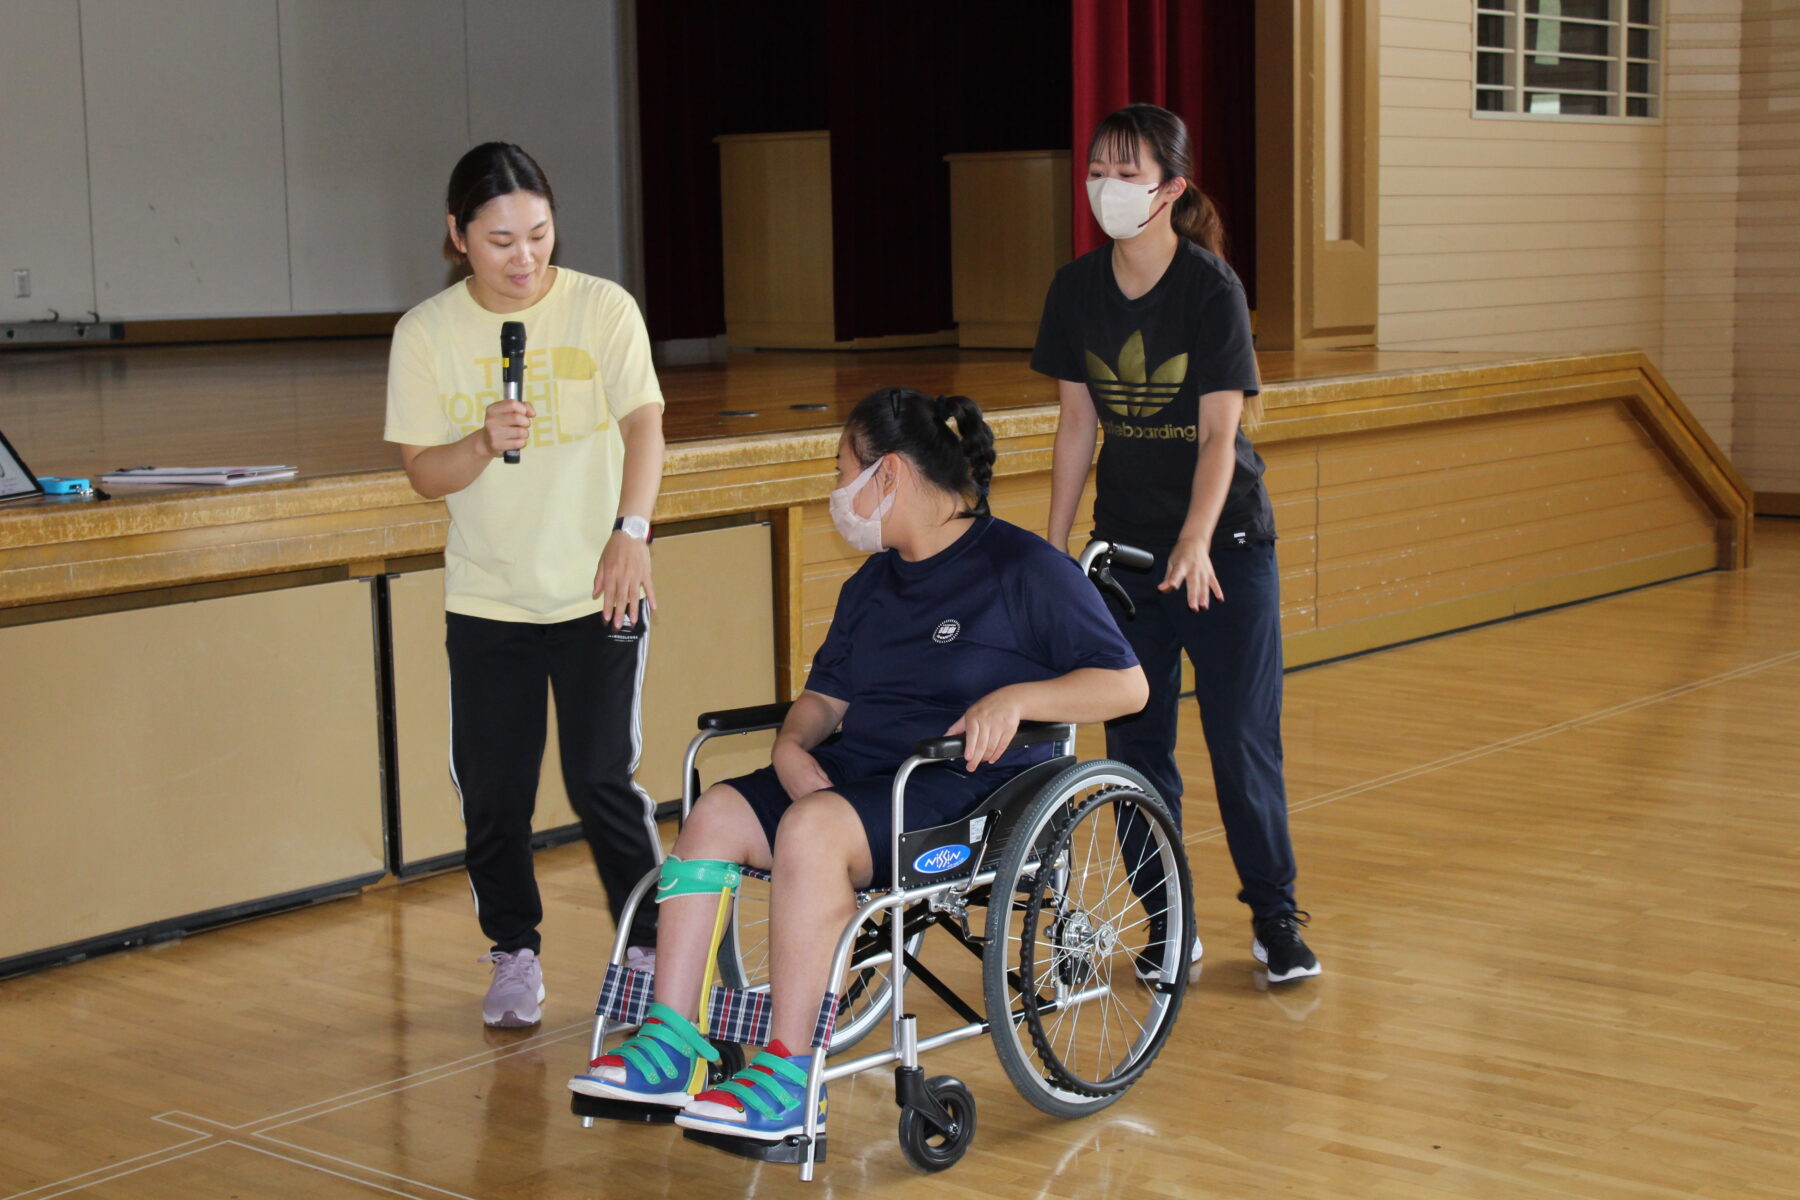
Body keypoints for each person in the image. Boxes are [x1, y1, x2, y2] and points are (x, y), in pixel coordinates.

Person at [567, 386, 1149, 1142]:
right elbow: (823, 700)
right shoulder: (871, 583)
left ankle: (788, 1075)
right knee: (712, 814)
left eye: (845, 471)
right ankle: (674, 1044)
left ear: (891, 476)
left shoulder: (1024, 568)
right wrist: (787, 746)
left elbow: (1126, 685)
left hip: (958, 792)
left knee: (811, 832)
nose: (838, 492)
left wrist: (1017, 698)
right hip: (855, 779)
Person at [1031, 103, 1321, 983]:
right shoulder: (1076, 289)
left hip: (1223, 548)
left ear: (1170, 190)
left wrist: (1197, 541)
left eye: (1128, 172)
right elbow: (1077, 425)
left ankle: (1276, 919)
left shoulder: (1208, 289)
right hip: (1125, 554)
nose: (1107, 187)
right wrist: (1052, 547)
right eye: (1099, 169)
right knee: (1136, 745)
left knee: (1240, 739)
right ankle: (1167, 922)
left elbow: (1219, 438)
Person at [385, 142, 667, 1027]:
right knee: (495, 789)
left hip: (598, 589)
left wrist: (632, 535)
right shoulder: (426, 333)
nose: (524, 257)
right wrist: (477, 442)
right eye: (501, 239)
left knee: (599, 780)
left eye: (538, 235)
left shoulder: (603, 308)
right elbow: (423, 475)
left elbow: (648, 426)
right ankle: (514, 953)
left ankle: (655, 947)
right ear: (457, 236)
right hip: (489, 599)